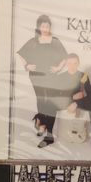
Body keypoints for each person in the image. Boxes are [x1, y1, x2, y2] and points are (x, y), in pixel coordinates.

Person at [17, 15, 67, 148]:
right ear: (39, 27)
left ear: (50, 27)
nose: (45, 28)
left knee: (50, 102)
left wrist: (58, 68)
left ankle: (48, 132)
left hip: (51, 76)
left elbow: (65, 56)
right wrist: (26, 66)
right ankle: (43, 124)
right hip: (36, 75)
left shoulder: (55, 41)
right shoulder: (33, 41)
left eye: (47, 26)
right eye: (43, 26)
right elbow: (20, 54)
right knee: (40, 99)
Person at [56, 53, 91, 150]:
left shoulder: (83, 76)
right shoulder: (61, 77)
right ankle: (48, 135)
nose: (72, 66)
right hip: (65, 102)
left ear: (78, 63)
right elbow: (58, 95)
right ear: (66, 64)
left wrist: (76, 103)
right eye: (70, 63)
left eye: (75, 63)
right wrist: (72, 98)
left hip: (79, 102)